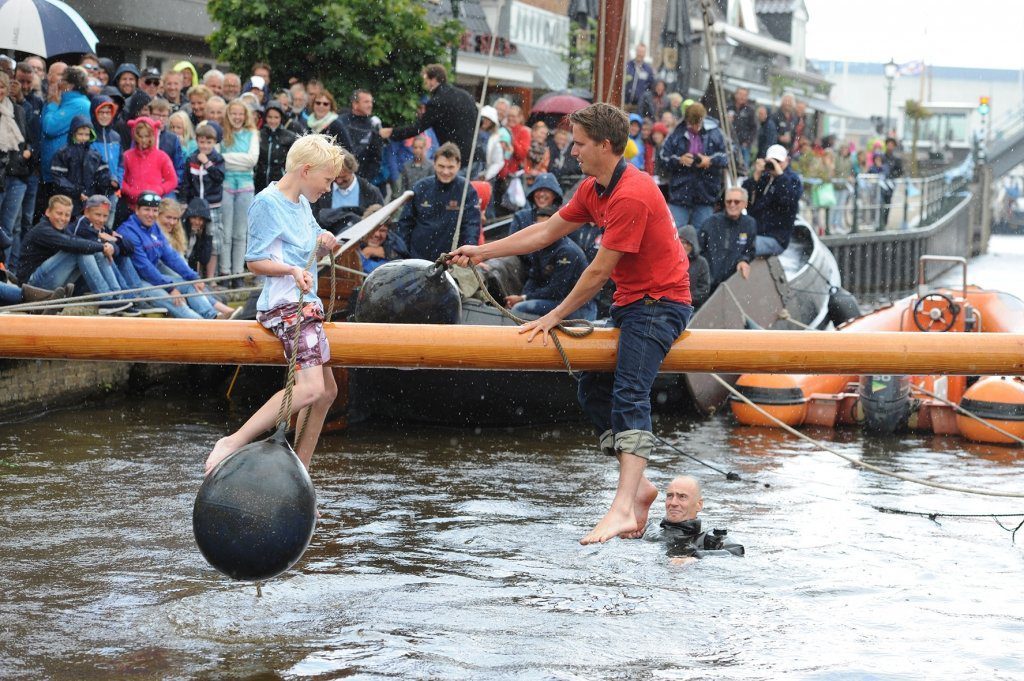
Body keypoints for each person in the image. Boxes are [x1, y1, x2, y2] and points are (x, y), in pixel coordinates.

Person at [449, 103, 692, 545]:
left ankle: (621, 507)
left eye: (579, 144)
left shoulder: (632, 193)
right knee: (593, 387)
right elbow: (544, 233)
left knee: (630, 392)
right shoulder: (593, 188)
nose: (573, 151)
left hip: (660, 304)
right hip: (631, 302)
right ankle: (639, 487)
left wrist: (554, 315)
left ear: (604, 145)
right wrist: (482, 252)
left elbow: (598, 271)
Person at [205, 134, 342, 474]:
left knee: (327, 393)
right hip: (286, 306)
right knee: (311, 388)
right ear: (307, 171)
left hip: (305, 306)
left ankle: (300, 471)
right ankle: (234, 440)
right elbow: (254, 261)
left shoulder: (302, 204)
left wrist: (324, 242)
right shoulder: (267, 202)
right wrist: (292, 270)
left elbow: (309, 244)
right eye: (326, 180)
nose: (328, 188)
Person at [117, 191, 231, 319]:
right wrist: (170, 288)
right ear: (137, 210)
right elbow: (144, 268)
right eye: (146, 210)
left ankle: (213, 317)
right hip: (137, 283)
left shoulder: (154, 227)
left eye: (154, 210)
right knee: (175, 300)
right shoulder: (128, 231)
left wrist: (193, 277)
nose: (151, 214)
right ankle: (203, 326)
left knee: (189, 285)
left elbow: (171, 257)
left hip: (154, 278)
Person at [17, 194, 131, 314]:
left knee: (93, 251)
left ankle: (116, 296)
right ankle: (106, 299)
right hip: (32, 286)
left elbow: (127, 248)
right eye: (59, 213)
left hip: (51, 283)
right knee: (81, 251)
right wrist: (103, 246)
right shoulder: (43, 230)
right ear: (48, 212)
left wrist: (108, 247)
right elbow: (71, 243)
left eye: (67, 215)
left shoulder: (63, 230)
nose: (63, 218)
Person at [504, 205, 596, 321]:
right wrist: (521, 296)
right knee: (516, 306)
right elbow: (534, 278)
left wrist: (523, 298)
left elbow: (556, 290)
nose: (543, 233)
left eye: (547, 228)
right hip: (555, 301)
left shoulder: (566, 251)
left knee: (519, 308)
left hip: (578, 307)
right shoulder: (540, 246)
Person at [396, 142, 479, 261]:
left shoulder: (466, 189)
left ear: (458, 165)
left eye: (450, 167)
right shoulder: (421, 187)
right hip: (418, 257)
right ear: (434, 164)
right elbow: (405, 223)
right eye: (441, 166)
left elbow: (471, 225)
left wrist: (469, 252)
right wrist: (404, 254)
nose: (445, 172)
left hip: (451, 259)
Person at [390, 64, 478, 168]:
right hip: (474, 156)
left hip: (455, 159)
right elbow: (477, 121)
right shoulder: (466, 95)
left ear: (434, 79)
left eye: (426, 80)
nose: (425, 84)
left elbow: (418, 128)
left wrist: (392, 133)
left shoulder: (437, 101)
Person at [660, 102, 728, 233]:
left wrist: (711, 160)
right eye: (692, 124)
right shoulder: (676, 133)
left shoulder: (715, 132)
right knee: (673, 233)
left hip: (705, 194)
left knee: (702, 235)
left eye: (699, 124)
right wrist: (679, 160)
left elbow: (728, 157)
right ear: (686, 120)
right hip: (680, 193)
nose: (696, 128)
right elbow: (662, 158)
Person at [656, 476, 744, 565]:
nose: (673, 503)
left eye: (682, 496)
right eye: (670, 496)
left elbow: (737, 550)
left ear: (699, 505)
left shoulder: (708, 539)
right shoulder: (650, 530)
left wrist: (695, 557)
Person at [219, 99, 260, 279]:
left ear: (245, 116)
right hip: (226, 184)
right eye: (233, 113)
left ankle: (237, 273)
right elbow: (217, 159)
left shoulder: (251, 133)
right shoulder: (222, 133)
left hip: (245, 186)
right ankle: (225, 271)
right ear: (228, 115)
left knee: (240, 232)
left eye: (240, 114)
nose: (237, 117)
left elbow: (252, 160)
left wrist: (226, 158)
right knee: (225, 231)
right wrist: (239, 160)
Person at [743, 144, 802, 256]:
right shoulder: (764, 178)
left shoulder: (792, 179)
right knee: (734, 243)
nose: (774, 165)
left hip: (776, 238)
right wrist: (755, 176)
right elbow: (744, 200)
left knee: (745, 246)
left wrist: (780, 175)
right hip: (756, 233)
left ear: (787, 161)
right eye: (771, 161)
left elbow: (788, 200)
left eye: (778, 161)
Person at [182, 124, 225, 278]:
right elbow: (186, 182)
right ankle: (195, 275)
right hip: (195, 207)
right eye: (201, 142)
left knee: (212, 241)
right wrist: (184, 202)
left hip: (212, 205)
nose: (205, 146)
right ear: (197, 141)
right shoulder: (191, 159)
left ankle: (211, 278)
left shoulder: (218, 159)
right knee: (194, 240)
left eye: (208, 142)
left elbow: (219, 178)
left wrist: (207, 163)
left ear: (214, 143)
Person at [41, 65, 91, 195]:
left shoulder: (78, 104)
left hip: (64, 173)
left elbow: (49, 128)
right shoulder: (63, 101)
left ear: (70, 85)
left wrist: (52, 104)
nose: (59, 84)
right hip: (53, 171)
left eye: (62, 80)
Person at [49, 115, 111, 216]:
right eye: (80, 134)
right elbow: (58, 178)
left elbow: (103, 174)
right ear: (73, 134)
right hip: (69, 201)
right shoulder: (64, 153)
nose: (83, 138)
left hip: (90, 201)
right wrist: (76, 192)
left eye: (86, 134)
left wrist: (108, 183)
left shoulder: (94, 155)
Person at [699, 186, 755, 292]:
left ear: (744, 204)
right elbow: (699, 248)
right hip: (708, 281)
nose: (732, 205)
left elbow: (750, 250)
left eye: (736, 202)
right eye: (729, 201)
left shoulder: (749, 224)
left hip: (732, 283)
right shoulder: (711, 222)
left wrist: (744, 260)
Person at [312, 151, 384, 232]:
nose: (339, 181)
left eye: (343, 177)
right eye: (335, 177)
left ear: (352, 170)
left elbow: (381, 222)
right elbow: (314, 219)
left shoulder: (371, 192)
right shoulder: (322, 191)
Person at [121, 117, 178, 210]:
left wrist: (159, 189)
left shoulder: (161, 156)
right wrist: (130, 191)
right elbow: (121, 178)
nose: (143, 140)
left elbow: (172, 180)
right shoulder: (127, 156)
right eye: (140, 136)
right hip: (132, 206)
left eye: (147, 136)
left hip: (155, 206)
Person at [0, 72, 28, 258]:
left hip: (17, 175)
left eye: (2, 86)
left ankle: (6, 273)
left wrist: (28, 152)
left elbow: (26, 139)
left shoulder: (17, 110)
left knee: (9, 229)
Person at [340, 89, 390, 182]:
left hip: (363, 179)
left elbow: (376, 158)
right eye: (366, 102)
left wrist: (364, 180)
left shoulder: (373, 125)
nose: (370, 105)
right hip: (339, 177)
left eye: (371, 102)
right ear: (355, 104)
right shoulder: (341, 122)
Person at [255, 101, 300, 192]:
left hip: (280, 181)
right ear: (265, 118)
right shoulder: (258, 134)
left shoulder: (289, 136)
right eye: (270, 117)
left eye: (276, 117)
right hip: (259, 181)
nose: (273, 121)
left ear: (281, 118)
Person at [357, 203, 409, 273]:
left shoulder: (395, 246)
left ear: (388, 232)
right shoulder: (353, 240)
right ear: (364, 228)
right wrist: (366, 253)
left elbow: (387, 274)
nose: (377, 234)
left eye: (382, 230)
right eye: (373, 229)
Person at [677, 224, 710, 308]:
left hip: (693, 308)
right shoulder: (669, 260)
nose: (684, 246)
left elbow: (704, 290)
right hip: (669, 305)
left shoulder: (701, 263)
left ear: (693, 245)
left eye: (688, 243)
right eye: (682, 242)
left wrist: (685, 298)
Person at [182, 197, 215, 276]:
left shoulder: (201, 234)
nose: (197, 222)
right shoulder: (181, 229)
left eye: (201, 219)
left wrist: (208, 235)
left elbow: (204, 260)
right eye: (194, 218)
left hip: (189, 271)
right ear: (188, 217)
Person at [728, 88, 758, 168]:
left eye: (745, 95)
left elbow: (754, 128)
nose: (742, 97)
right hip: (729, 143)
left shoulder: (750, 111)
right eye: (740, 94)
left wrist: (747, 142)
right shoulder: (728, 107)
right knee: (728, 166)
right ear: (735, 95)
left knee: (743, 168)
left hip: (743, 145)